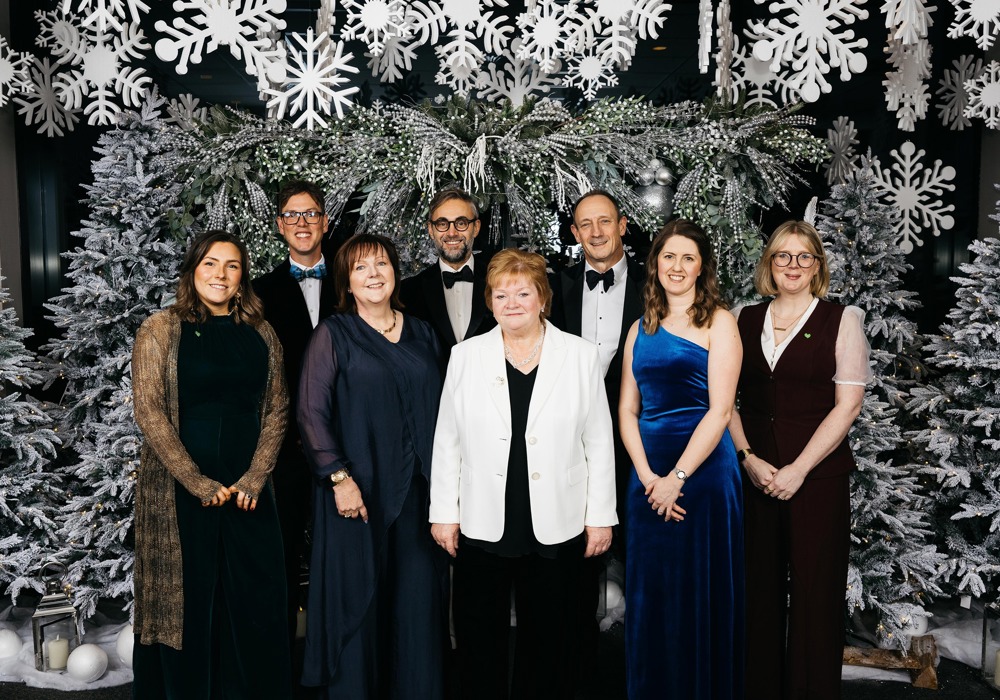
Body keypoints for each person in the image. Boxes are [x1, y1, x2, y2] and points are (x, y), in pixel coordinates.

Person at [429, 248, 617, 700]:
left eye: (522, 293)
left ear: (542, 298)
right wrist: (444, 513)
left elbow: (598, 440)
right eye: (501, 295)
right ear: (490, 302)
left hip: (558, 519)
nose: (511, 303)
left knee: (549, 640)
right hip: (482, 519)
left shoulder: (580, 356)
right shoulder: (465, 356)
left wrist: (600, 517)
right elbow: (447, 439)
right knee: (479, 639)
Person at [131, 230, 291, 700]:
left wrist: (255, 477)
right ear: (192, 271)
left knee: (254, 597)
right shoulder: (160, 328)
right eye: (210, 264)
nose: (220, 274)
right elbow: (149, 412)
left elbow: (277, 407)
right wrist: (196, 481)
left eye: (232, 265)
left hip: (248, 489)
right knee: (189, 601)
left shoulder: (261, 331)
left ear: (242, 277)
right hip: (179, 487)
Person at [297, 233, 448, 699]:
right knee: (358, 600)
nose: (373, 274)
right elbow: (310, 413)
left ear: (395, 273)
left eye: (381, 264)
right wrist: (339, 478)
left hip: (419, 494)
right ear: (347, 281)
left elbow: (448, 411)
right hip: (356, 493)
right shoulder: (333, 335)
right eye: (361, 267)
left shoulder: (423, 333)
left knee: (417, 602)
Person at [728, 220, 870, 700]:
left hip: (818, 478)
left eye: (804, 256)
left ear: (817, 265)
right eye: (783, 256)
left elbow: (847, 406)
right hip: (755, 475)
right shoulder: (742, 318)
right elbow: (724, 401)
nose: (793, 265)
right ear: (769, 264)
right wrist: (747, 458)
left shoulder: (842, 320)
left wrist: (799, 469)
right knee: (758, 593)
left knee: (815, 596)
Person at [619, 219, 744, 699]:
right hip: (647, 476)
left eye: (687, 258)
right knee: (651, 593)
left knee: (697, 590)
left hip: (704, 475)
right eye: (668, 256)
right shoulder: (639, 328)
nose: (677, 266)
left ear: (701, 267)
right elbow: (627, 409)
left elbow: (721, 411)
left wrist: (677, 477)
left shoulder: (720, 322)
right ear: (655, 264)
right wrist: (647, 476)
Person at [549, 189, 644, 679]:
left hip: (643, 442)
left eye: (605, 221)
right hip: (572, 445)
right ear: (574, 232)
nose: (596, 232)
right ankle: (578, 673)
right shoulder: (555, 286)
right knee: (575, 562)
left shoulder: (655, 283)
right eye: (585, 224)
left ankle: (644, 671)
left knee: (641, 555)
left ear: (622, 225)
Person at [252, 179, 337, 643]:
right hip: (284, 449)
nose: (302, 223)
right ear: (280, 225)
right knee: (281, 556)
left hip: (343, 445)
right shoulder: (257, 293)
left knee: (339, 557)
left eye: (311, 214)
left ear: (325, 221)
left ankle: (338, 662)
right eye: (292, 215)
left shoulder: (353, 280)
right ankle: (281, 666)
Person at [399, 186, 496, 356]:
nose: (452, 233)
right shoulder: (406, 292)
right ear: (431, 230)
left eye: (461, 223)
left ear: (476, 227)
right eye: (442, 224)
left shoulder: (500, 281)